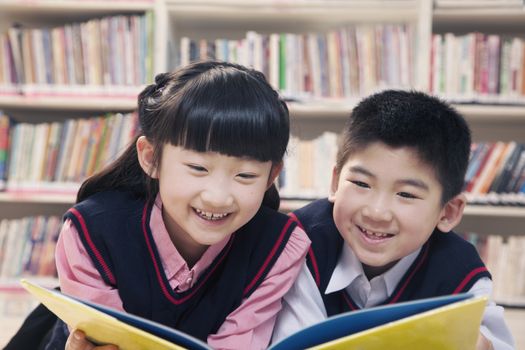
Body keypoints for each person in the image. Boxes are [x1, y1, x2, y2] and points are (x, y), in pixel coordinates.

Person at [46, 61, 310, 350]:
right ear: (151, 158)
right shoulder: (91, 231)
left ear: (272, 175)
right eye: (198, 168)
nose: (217, 197)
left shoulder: (278, 248)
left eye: (245, 175)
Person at [271, 90, 515, 350]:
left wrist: (477, 342)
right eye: (361, 183)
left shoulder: (461, 271)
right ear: (335, 182)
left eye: (406, 194)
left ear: (449, 212)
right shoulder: (300, 242)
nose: (377, 212)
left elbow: (496, 343)